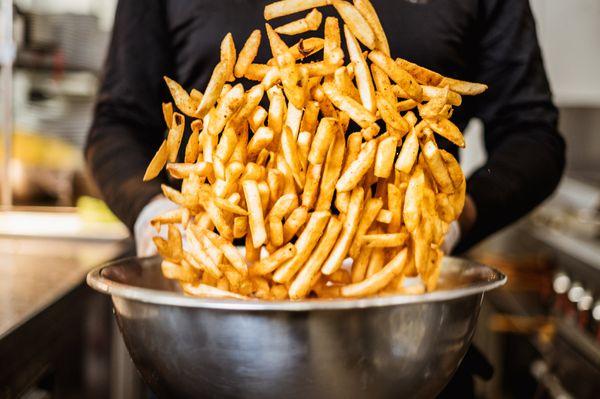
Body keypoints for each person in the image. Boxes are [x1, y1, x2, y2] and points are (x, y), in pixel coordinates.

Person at [85, 0, 565, 396]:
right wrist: (157, 215)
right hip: (208, 345)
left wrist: (447, 217)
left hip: (408, 346)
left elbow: (532, 136)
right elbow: (117, 126)